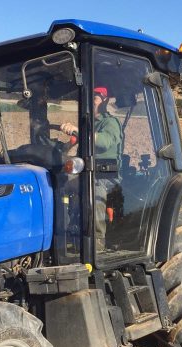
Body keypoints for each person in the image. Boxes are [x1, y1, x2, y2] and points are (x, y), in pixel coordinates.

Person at [59, 87, 122, 252]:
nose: (90, 101)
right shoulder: (88, 124)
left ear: (104, 101)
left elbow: (104, 142)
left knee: (93, 191)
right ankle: (65, 233)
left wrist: (78, 131)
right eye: (88, 98)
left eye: (94, 98)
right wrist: (62, 147)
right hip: (86, 173)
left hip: (105, 175)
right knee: (59, 186)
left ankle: (97, 243)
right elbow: (73, 144)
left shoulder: (110, 122)